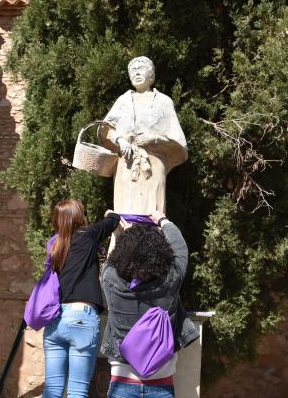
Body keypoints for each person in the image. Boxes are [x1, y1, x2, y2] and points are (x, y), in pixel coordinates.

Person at [100, 211, 199, 398]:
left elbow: (111, 262)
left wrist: (121, 234)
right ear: (160, 253)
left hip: (122, 381)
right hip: (161, 384)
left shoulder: (111, 281)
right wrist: (163, 220)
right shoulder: (171, 280)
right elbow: (180, 249)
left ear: (122, 253)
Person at [42, 199, 120, 398]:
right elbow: (113, 220)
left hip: (55, 320)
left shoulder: (54, 244)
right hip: (81, 318)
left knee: (52, 390)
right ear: (78, 216)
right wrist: (109, 213)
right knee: (77, 392)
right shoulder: (87, 235)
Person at [99, 56, 188, 215]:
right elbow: (106, 129)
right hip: (126, 164)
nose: (136, 72)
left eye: (141, 68)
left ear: (151, 75)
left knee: (152, 212)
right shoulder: (123, 101)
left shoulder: (163, 102)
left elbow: (178, 139)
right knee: (124, 213)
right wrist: (120, 141)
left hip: (152, 165)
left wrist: (154, 138)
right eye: (133, 70)